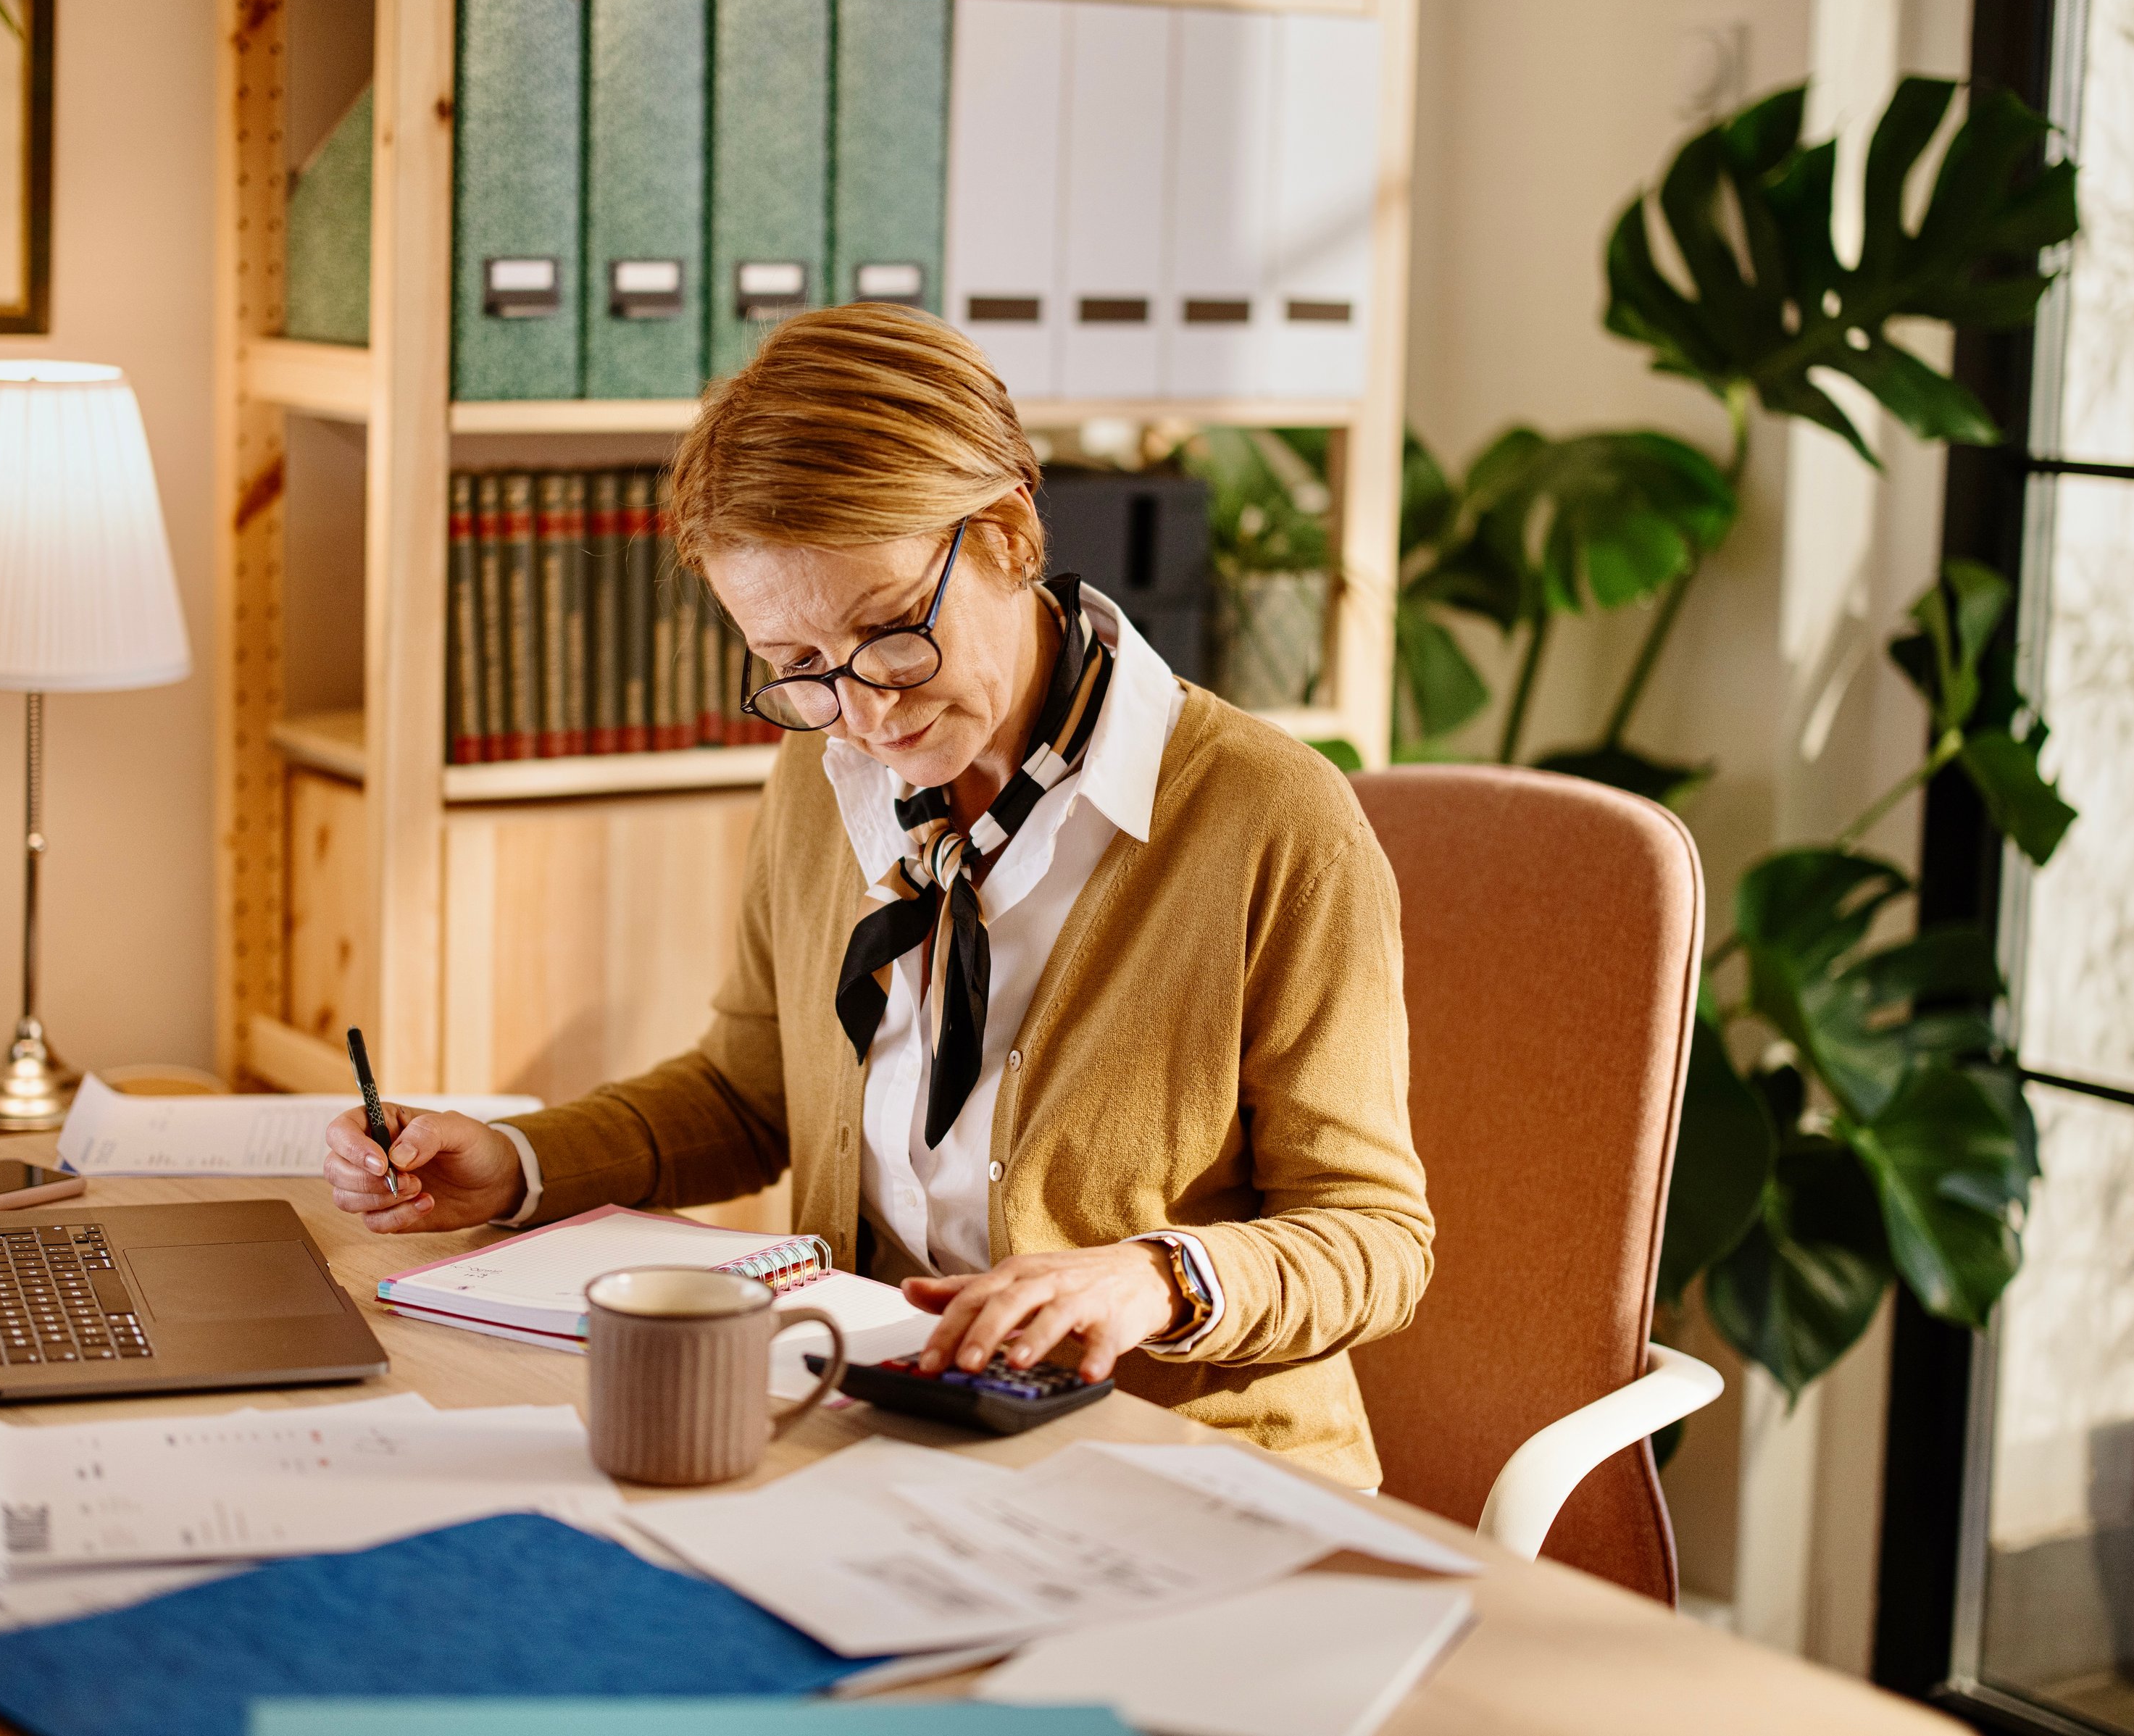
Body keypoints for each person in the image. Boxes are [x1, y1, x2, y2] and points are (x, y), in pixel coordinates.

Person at [322, 302, 1432, 1485]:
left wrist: (1150, 1277)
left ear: (1008, 533)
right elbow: (749, 1092)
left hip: (1182, 1469)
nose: (865, 709)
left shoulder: (1271, 817)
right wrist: (520, 1161)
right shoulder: (826, 771)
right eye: (795, 668)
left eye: (893, 632)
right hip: (889, 1439)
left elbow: (1375, 1238)